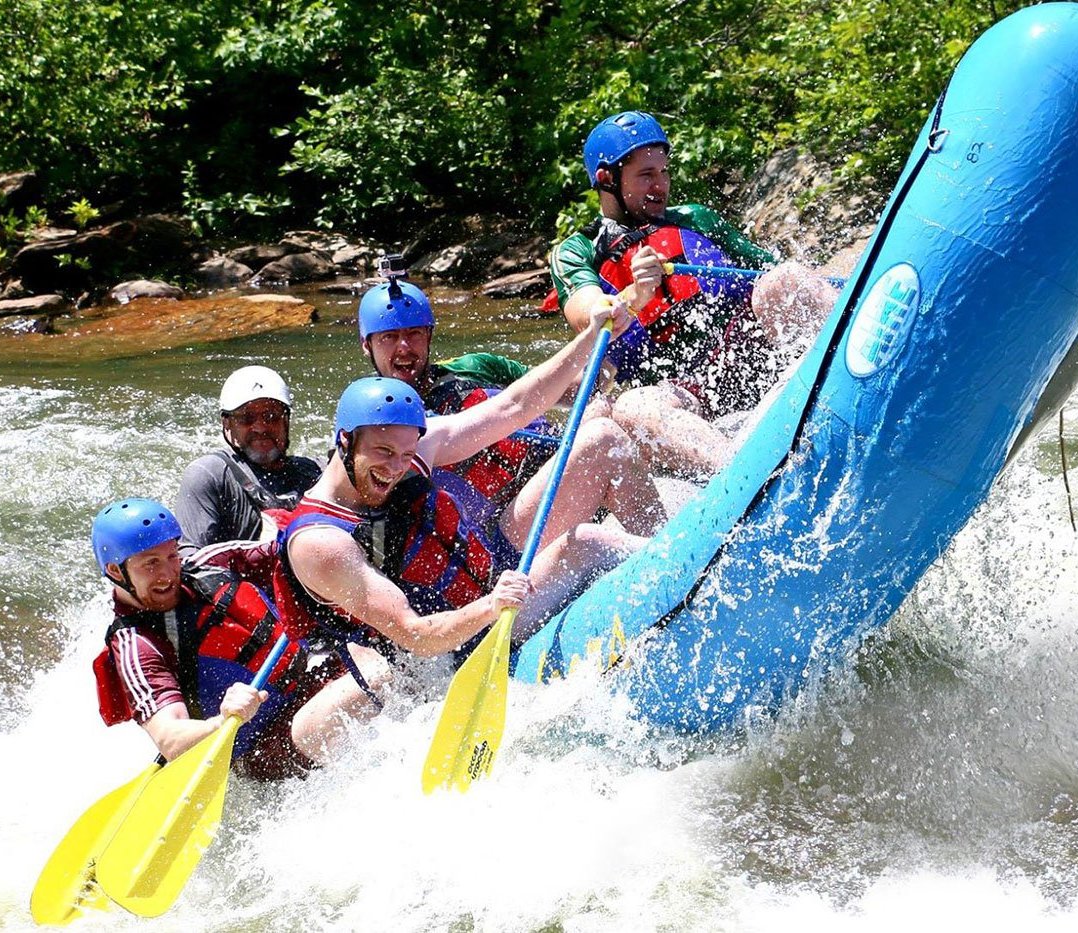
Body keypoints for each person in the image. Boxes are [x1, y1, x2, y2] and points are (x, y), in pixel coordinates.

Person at [273, 302, 646, 725]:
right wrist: (492, 605)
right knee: (587, 543)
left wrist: (591, 337)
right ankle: (692, 562)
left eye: (406, 453)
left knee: (600, 439)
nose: (396, 468)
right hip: (457, 642)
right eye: (383, 453)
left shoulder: (408, 446)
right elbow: (416, 634)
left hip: (490, 571)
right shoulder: (321, 542)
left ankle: (695, 541)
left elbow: (514, 406)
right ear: (344, 442)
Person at [550, 110, 839, 477]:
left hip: (751, 351)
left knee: (783, 281)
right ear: (607, 179)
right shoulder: (576, 253)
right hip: (684, 388)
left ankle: (860, 353)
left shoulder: (695, 219)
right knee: (635, 406)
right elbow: (588, 317)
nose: (661, 185)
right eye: (646, 175)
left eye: (664, 171)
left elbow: (777, 273)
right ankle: (749, 477)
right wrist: (637, 293)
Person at [357, 277, 667, 542]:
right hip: (503, 529)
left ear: (429, 336)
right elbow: (513, 406)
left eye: (413, 334)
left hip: (549, 474)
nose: (404, 348)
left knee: (604, 408)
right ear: (367, 346)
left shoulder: (475, 366)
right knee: (601, 439)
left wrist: (608, 341)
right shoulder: (372, 423)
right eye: (389, 337)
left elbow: (571, 388)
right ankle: (671, 559)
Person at [90, 497, 383, 777]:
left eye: (171, 556)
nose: (169, 573)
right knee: (376, 676)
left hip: (310, 683)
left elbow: (294, 548)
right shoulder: (137, 645)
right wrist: (224, 718)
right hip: (266, 744)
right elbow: (172, 739)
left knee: (375, 649)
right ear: (117, 571)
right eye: (150, 564)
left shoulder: (211, 564)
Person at [175, 365, 323, 558]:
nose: (261, 427)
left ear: (285, 420)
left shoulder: (315, 473)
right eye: (246, 417)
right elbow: (192, 560)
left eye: (271, 416)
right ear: (227, 424)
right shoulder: (208, 476)